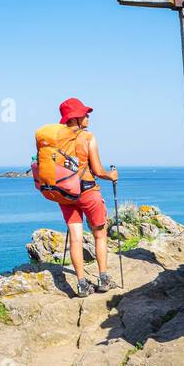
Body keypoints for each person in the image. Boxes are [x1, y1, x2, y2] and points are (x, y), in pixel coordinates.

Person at [56, 97, 118, 296]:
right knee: (100, 234)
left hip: (66, 195)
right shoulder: (88, 137)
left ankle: (82, 284)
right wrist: (111, 176)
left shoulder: (57, 139)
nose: (88, 117)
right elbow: (98, 171)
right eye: (84, 114)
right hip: (88, 192)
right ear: (75, 117)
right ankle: (104, 279)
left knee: (76, 238)